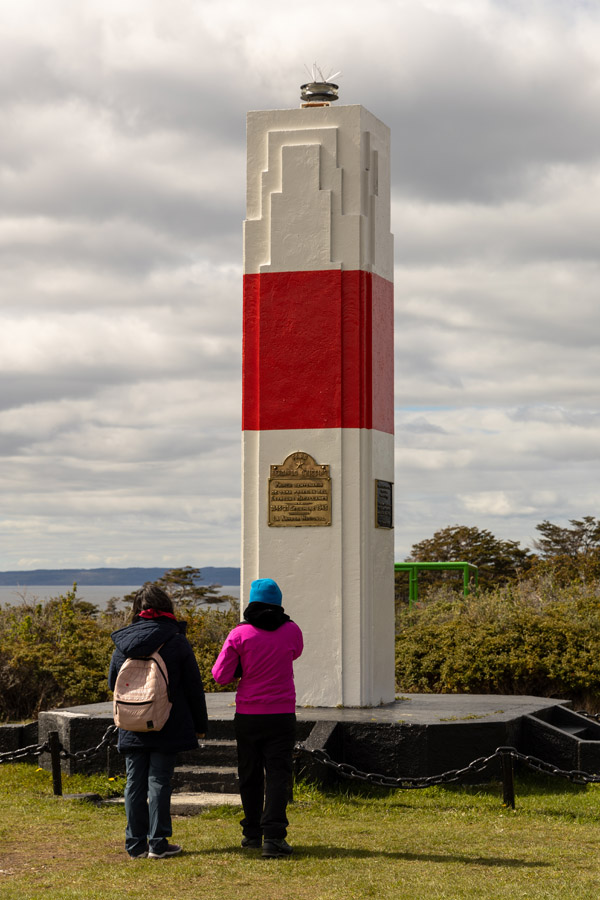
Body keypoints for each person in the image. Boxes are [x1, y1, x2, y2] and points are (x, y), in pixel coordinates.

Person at [108, 583, 208, 859]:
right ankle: (159, 844)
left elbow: (111, 681)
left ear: (137, 610)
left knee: (134, 783)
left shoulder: (123, 641)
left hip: (131, 721)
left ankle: (134, 844)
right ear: (166, 607)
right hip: (168, 721)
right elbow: (193, 687)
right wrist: (200, 725)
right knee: (159, 782)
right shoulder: (176, 640)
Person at [212, 577, 303, 859]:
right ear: (278, 602)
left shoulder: (239, 634)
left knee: (249, 775)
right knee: (278, 775)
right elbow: (296, 653)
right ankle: (274, 838)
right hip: (282, 713)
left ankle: (251, 833)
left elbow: (220, 676)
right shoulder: (291, 630)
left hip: (249, 715)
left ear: (251, 601)